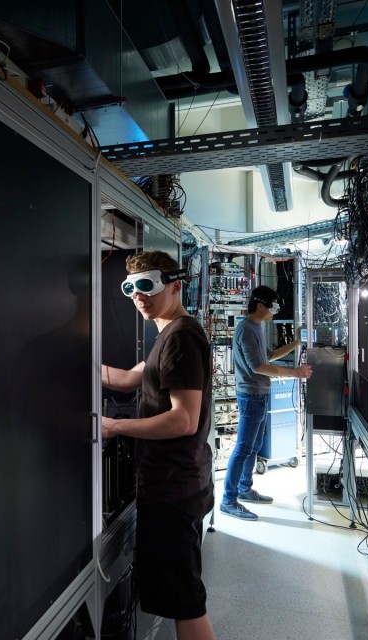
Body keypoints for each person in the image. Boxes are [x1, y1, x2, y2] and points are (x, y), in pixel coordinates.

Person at [101, 250, 216, 640]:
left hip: (175, 490)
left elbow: (183, 419)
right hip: (172, 486)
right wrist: (75, 361)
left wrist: (116, 426)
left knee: (186, 603)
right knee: (179, 595)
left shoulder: (181, 336)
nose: (138, 296)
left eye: (147, 286)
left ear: (175, 285)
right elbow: (129, 379)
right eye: (131, 288)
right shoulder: (168, 333)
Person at [220, 285, 312, 521]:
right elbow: (258, 367)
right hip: (250, 396)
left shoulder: (257, 327)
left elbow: (268, 356)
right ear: (260, 305)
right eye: (272, 308)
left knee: (253, 445)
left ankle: (244, 488)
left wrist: (296, 343)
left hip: (259, 394)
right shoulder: (246, 329)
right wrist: (295, 373)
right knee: (243, 447)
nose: (274, 313)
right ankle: (228, 500)